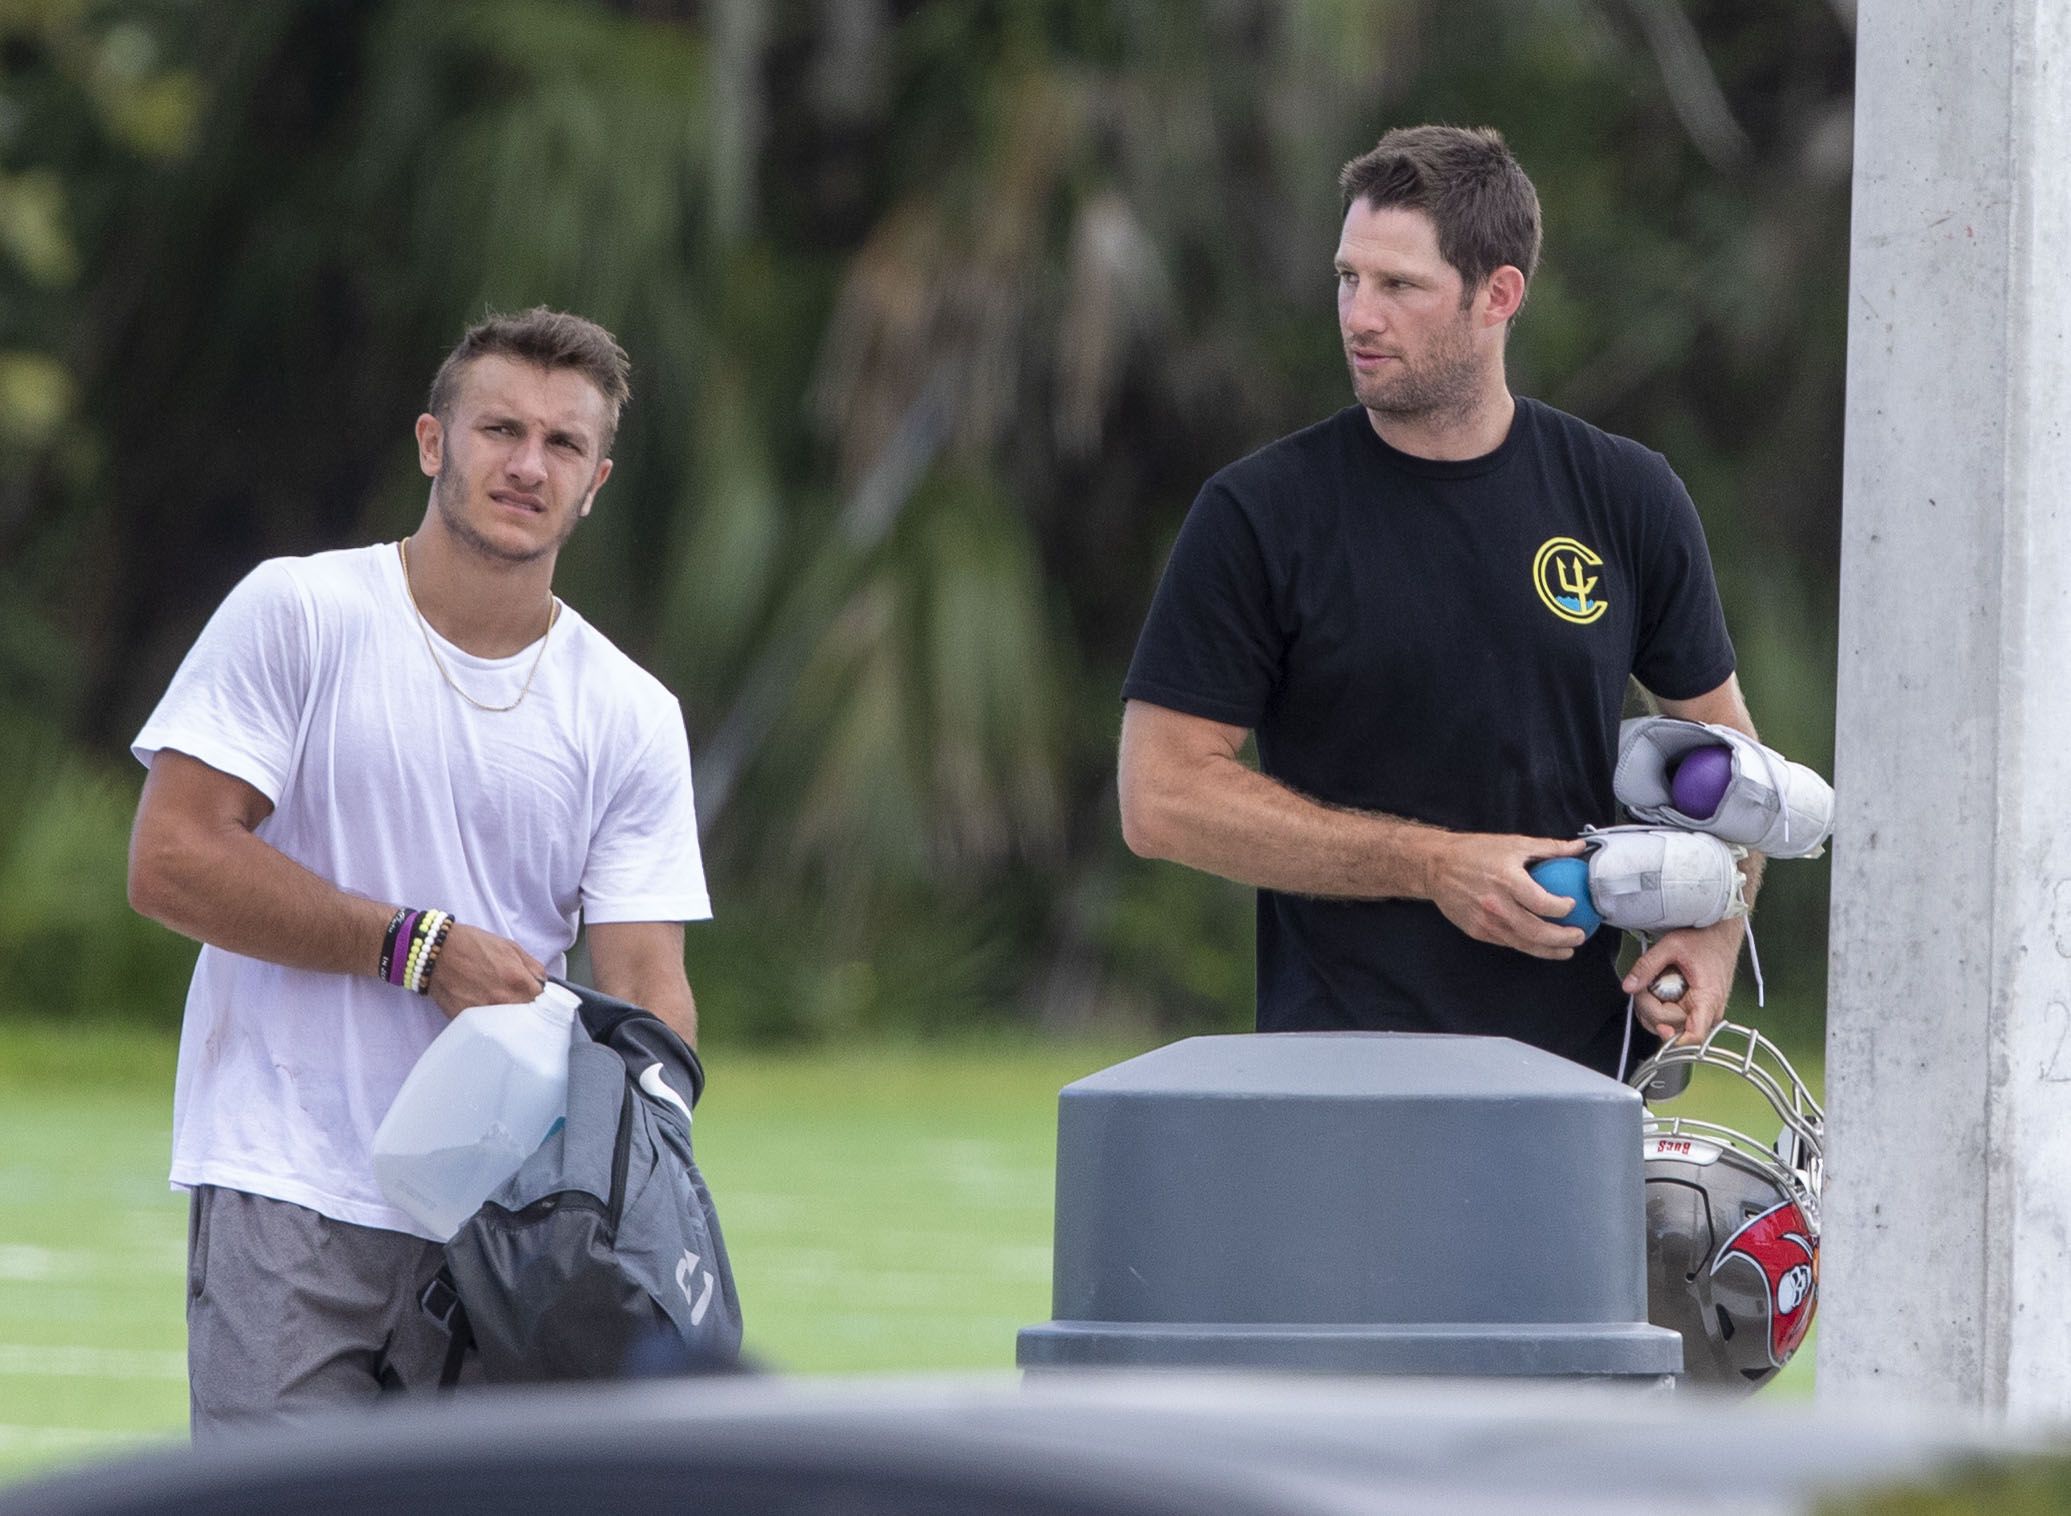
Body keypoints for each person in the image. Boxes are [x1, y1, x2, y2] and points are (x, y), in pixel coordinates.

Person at [127, 308, 711, 1435]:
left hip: (514, 1219)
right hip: (293, 1181)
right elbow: (173, 859)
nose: (527, 464)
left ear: (596, 481)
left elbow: (646, 989)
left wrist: (643, 1199)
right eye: (500, 428)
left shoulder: (632, 712)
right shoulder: (300, 612)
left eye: (563, 445)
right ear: (433, 442)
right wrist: (416, 946)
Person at [1117, 125, 1762, 1078]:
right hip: (1334, 1081)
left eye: (1398, 287)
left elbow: (1731, 764)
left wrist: (1714, 928)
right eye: (1346, 278)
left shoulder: (1625, 497)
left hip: (1576, 1082)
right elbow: (1160, 798)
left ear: (1497, 295)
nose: (1356, 315)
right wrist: (1431, 866)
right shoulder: (1261, 513)